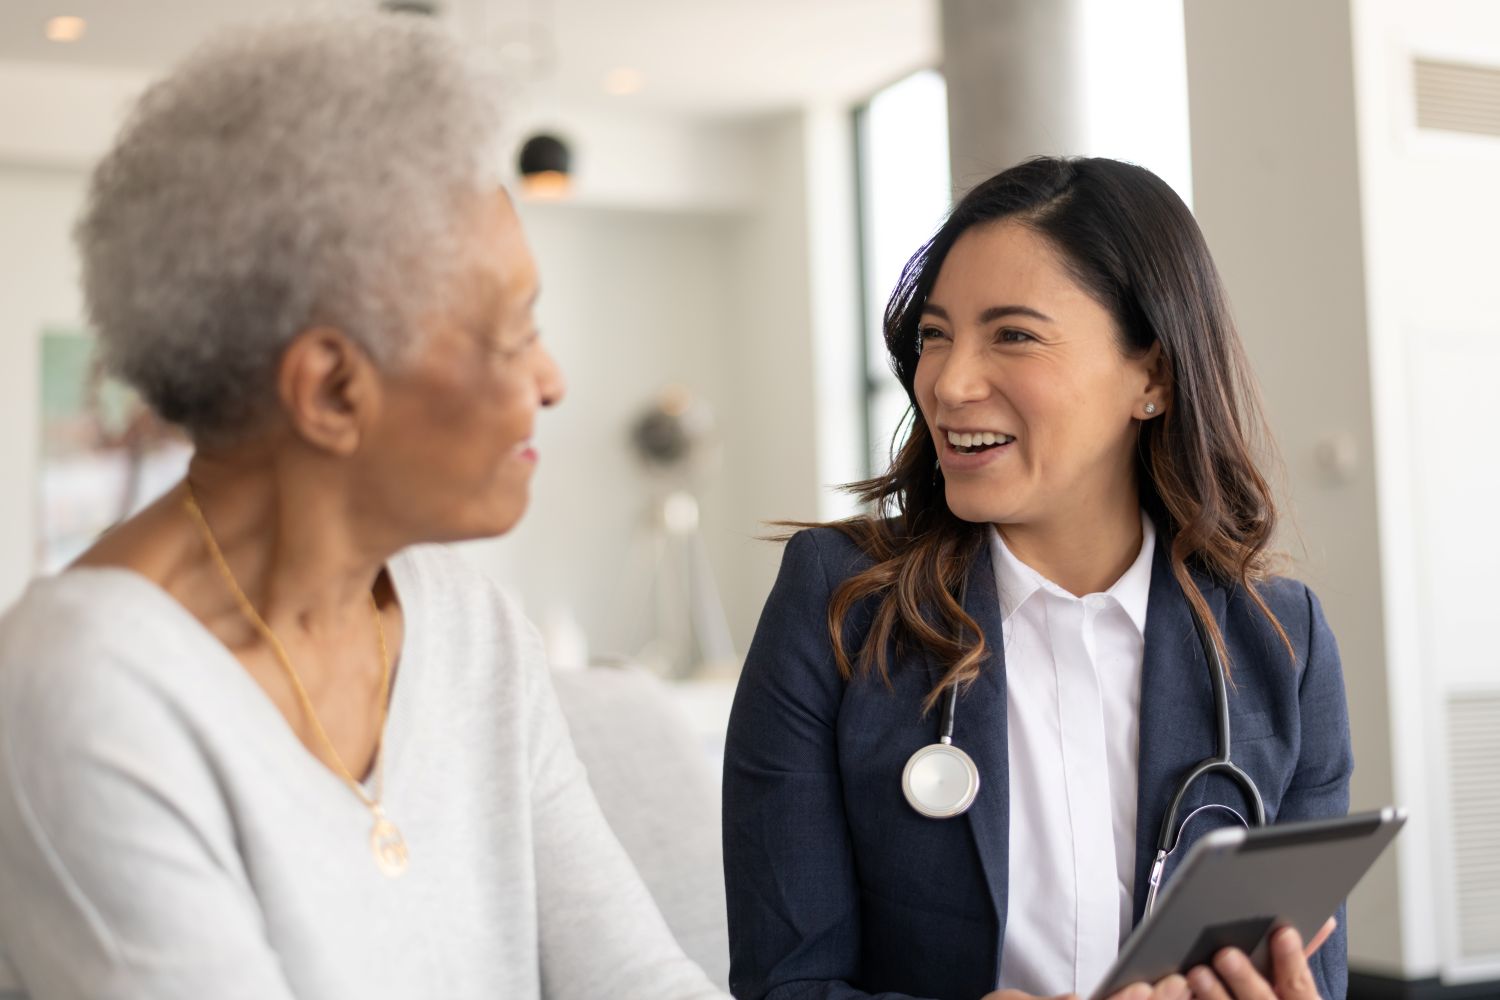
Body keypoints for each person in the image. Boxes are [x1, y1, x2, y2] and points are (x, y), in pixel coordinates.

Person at [0, 15, 724, 1000]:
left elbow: (637, 978)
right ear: (332, 390)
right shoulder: (86, 690)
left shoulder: (465, 625)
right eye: (517, 335)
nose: (553, 382)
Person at [722, 157, 1353, 1000]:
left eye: (1012, 334)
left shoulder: (1281, 643)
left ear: (1153, 378)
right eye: (935, 334)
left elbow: (1307, 976)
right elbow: (784, 983)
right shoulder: (839, 604)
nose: (946, 382)